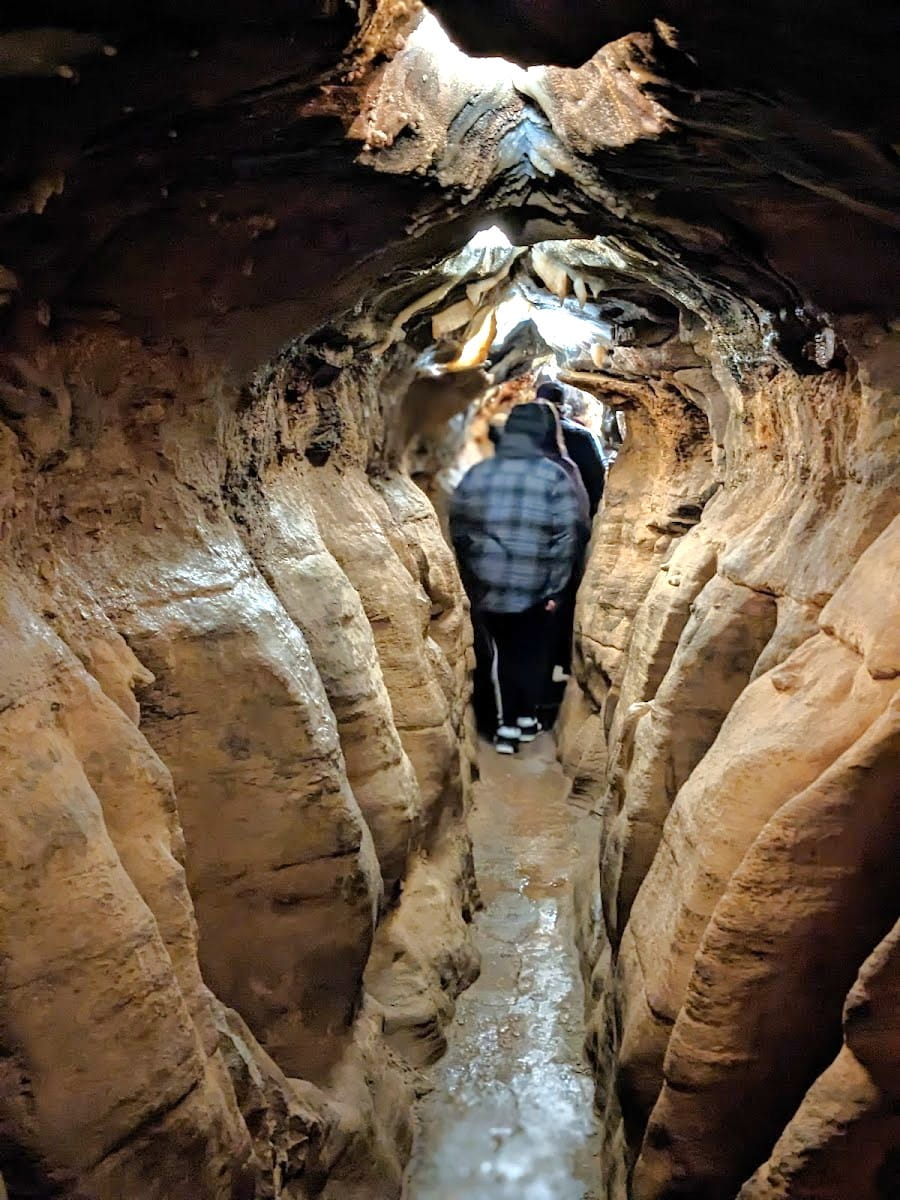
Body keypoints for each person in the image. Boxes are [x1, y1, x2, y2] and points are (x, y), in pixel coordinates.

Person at [449, 402, 581, 754]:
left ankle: (508, 724)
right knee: (528, 652)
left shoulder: (479, 474)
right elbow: (565, 537)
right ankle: (520, 721)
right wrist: (556, 588)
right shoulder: (554, 477)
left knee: (498, 654)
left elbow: (459, 527)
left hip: (488, 584)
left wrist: (477, 568)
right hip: (535, 585)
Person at [536, 381, 607, 517]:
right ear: (563, 406)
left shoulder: (519, 435)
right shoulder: (583, 436)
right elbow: (597, 480)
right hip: (572, 514)